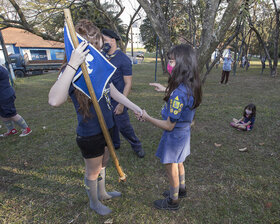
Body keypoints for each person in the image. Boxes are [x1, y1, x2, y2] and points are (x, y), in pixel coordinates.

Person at [48, 20, 143, 216]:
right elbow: (55, 100)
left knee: (105, 161)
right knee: (93, 170)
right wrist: (73, 64)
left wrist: (135, 107)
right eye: (93, 44)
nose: (97, 48)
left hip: (107, 125)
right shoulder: (71, 70)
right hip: (89, 132)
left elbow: (114, 92)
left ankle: (103, 192)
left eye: (98, 43)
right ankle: (94, 201)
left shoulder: (99, 66)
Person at [139, 44, 202, 210]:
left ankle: (173, 201)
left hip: (174, 137)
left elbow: (168, 125)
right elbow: (183, 99)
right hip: (184, 133)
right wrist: (165, 89)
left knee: (171, 167)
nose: (169, 64)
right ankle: (181, 189)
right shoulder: (192, 85)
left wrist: (147, 117)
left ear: (183, 64)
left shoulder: (177, 94)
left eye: (172, 61)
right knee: (179, 162)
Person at [101, 29, 145, 158]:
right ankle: (115, 144)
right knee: (110, 124)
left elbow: (128, 83)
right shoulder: (102, 56)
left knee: (123, 126)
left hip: (119, 99)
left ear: (112, 40)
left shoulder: (123, 59)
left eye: (104, 40)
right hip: (105, 99)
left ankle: (137, 146)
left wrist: (121, 104)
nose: (102, 43)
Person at [0, 65, 32, 137]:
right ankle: (11, 130)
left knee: (11, 114)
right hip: (3, 95)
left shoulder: (1, 70)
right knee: (3, 114)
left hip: (5, 96)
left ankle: (26, 129)